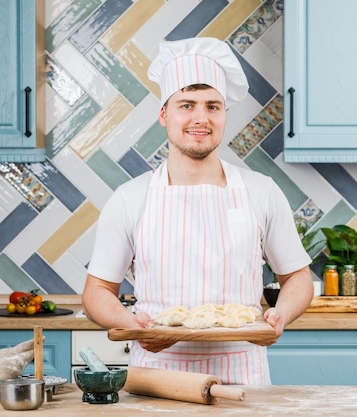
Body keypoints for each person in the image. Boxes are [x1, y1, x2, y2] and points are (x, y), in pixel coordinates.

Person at [82, 37, 314, 385]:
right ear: (164, 114)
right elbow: (97, 291)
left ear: (224, 114)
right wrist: (132, 325)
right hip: (158, 377)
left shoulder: (261, 191)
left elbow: (298, 279)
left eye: (212, 106)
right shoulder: (131, 198)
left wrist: (280, 313)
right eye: (186, 105)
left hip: (242, 375)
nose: (200, 118)